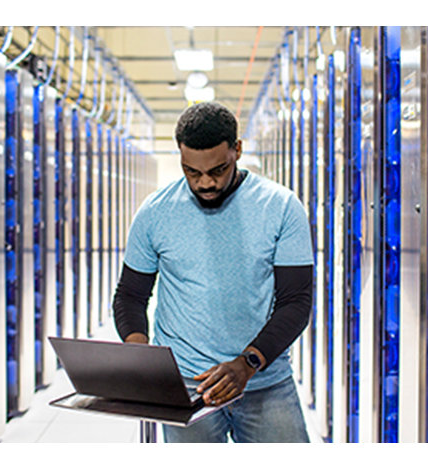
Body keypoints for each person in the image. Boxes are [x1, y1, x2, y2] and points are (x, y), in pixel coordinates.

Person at [112, 101, 313, 443]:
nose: (205, 183)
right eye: (192, 172)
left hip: (265, 384)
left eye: (217, 170)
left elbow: (296, 302)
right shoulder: (155, 213)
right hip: (187, 386)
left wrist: (248, 363)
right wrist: (139, 351)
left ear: (237, 149)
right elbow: (130, 295)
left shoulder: (280, 207)